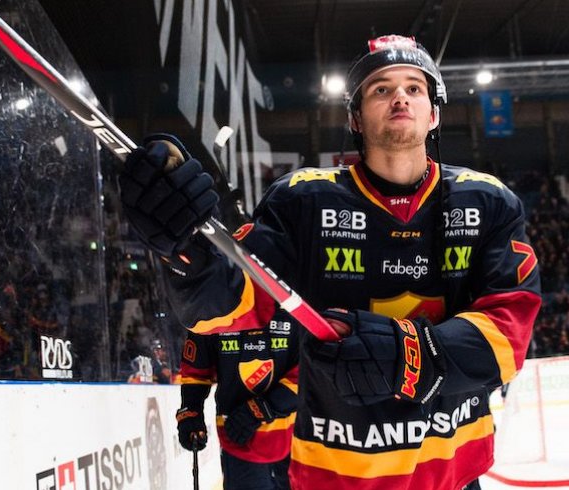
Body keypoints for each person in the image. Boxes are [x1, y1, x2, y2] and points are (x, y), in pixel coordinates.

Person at [118, 34, 541, 490]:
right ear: (356, 118)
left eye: (414, 88)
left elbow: (508, 334)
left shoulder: (489, 200)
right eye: (381, 88)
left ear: (434, 112)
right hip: (334, 476)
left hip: (452, 476)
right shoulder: (303, 199)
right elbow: (237, 300)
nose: (399, 96)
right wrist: (186, 253)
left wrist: (405, 355)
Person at [176, 326, 298, 490]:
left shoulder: (296, 306)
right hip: (238, 440)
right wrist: (191, 410)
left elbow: (311, 368)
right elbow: (196, 371)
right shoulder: (210, 308)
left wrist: (261, 409)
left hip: (296, 442)